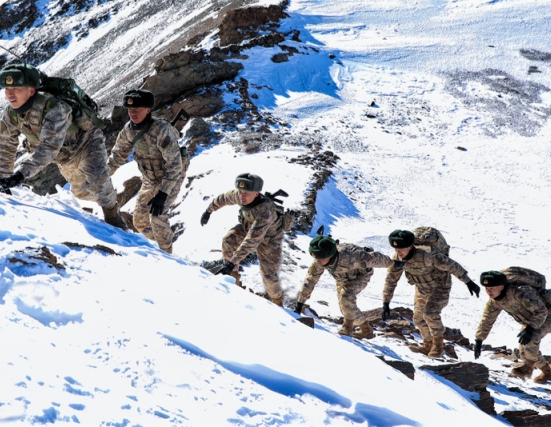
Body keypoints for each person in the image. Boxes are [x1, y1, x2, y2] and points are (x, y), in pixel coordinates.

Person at [0, 65, 127, 229]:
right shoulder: (11, 114)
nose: (10, 94)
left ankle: (113, 213)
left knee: (97, 178)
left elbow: (49, 147)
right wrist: (3, 179)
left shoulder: (55, 108)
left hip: (87, 143)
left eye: (16, 88)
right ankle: (111, 196)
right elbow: (6, 144)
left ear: (32, 91)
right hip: (64, 157)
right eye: (7, 89)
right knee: (80, 192)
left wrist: (20, 175)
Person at [106, 89, 185, 253]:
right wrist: (103, 175)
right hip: (149, 178)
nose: (132, 113)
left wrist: (163, 193)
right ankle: (162, 242)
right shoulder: (128, 130)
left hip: (170, 177)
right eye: (130, 110)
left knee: (158, 215)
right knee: (140, 222)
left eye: (137, 110)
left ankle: (168, 256)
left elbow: (175, 165)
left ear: (148, 110)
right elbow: (117, 155)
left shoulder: (162, 130)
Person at [382, 229, 481, 357]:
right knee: (418, 319)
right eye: (395, 248)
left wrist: (469, 282)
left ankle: (438, 347)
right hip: (422, 288)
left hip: (440, 287)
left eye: (401, 248)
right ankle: (427, 345)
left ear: (410, 246)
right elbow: (391, 280)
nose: (398, 252)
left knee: (430, 313)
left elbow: (452, 266)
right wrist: (386, 302)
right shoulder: (397, 259)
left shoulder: (428, 255)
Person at [201, 173, 286, 306]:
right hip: (249, 227)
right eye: (240, 192)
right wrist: (209, 211)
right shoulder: (240, 196)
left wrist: (232, 262)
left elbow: (252, 241)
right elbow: (223, 198)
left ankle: (277, 302)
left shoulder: (265, 211)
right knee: (229, 240)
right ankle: (232, 280)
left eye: (246, 193)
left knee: (269, 276)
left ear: (256, 194)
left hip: (269, 239)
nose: (242, 196)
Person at [294, 231, 395, 339]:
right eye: (316, 257)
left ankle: (347, 329)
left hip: (360, 276)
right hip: (341, 279)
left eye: (321, 258)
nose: (318, 261)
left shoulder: (352, 256)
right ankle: (366, 330)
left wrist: (392, 263)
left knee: (346, 297)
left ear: (330, 254)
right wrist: (300, 303)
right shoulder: (320, 260)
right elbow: (310, 280)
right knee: (346, 307)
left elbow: (376, 258)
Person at [474, 269, 551, 383]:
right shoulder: (494, 301)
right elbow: (487, 319)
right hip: (530, 320)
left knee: (531, 340)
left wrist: (530, 328)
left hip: (548, 316)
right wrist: (479, 339)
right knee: (524, 349)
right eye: (487, 288)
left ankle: (527, 368)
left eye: (492, 288)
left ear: (501, 287)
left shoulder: (520, 292)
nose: (489, 292)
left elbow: (541, 311)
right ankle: (547, 372)